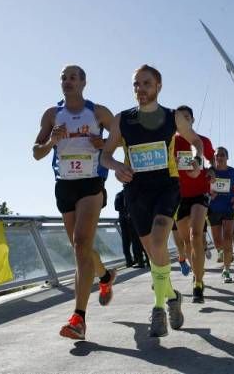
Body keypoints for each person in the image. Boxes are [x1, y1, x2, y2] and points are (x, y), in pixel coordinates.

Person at [100, 64, 204, 337]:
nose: (140, 89)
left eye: (146, 83)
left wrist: (197, 160)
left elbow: (196, 142)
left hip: (166, 187)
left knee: (159, 241)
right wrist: (116, 167)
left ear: (158, 86)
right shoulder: (122, 120)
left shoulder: (173, 117)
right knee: (154, 254)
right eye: (136, 84)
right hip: (136, 191)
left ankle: (158, 309)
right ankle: (172, 296)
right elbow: (106, 154)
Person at [32, 65, 116, 340]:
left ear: (83, 82)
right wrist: (51, 141)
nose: (67, 81)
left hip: (91, 184)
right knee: (81, 248)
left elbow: (120, 138)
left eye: (72, 77)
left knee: (81, 243)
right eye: (63, 78)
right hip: (64, 185)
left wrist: (102, 143)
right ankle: (104, 277)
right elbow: (36, 152)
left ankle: (78, 318)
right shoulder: (52, 114)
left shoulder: (98, 112)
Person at [173, 105, 215, 303]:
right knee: (186, 241)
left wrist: (212, 171)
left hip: (200, 192)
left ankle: (198, 284)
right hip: (180, 196)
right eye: (180, 118)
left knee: (196, 234)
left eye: (187, 117)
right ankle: (197, 273)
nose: (184, 121)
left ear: (192, 120)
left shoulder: (202, 141)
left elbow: (212, 161)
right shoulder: (171, 142)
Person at [208, 147, 234, 283]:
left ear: (227, 157)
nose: (219, 157)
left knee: (228, 237)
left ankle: (226, 270)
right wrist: (210, 193)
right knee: (217, 240)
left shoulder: (233, 173)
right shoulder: (210, 172)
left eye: (222, 155)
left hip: (229, 208)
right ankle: (222, 253)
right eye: (217, 155)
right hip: (213, 209)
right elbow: (202, 187)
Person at [115, 188, 149, 268]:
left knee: (126, 242)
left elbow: (116, 207)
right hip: (134, 219)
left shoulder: (119, 195)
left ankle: (130, 262)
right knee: (138, 241)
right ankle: (146, 261)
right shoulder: (134, 193)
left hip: (124, 220)